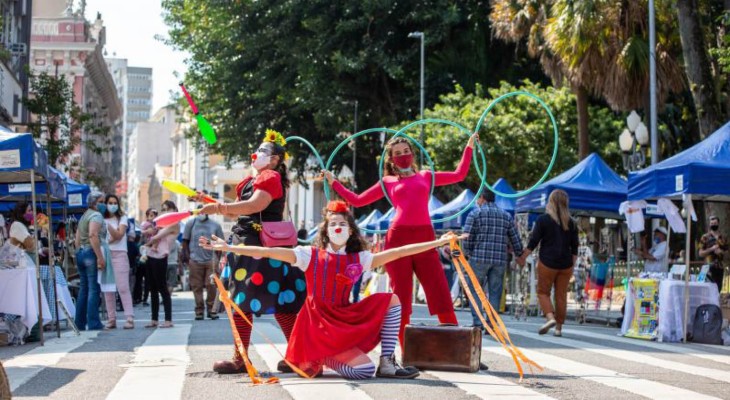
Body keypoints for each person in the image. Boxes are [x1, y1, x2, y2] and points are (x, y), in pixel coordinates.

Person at [200, 200, 466, 379]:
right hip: (317, 326)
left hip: (344, 318)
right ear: (326, 231)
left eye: (343, 224)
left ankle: (387, 362)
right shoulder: (308, 255)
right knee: (362, 370)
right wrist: (229, 247)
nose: (338, 227)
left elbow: (399, 252)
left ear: (351, 231)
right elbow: (267, 251)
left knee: (391, 300)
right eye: (333, 224)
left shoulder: (359, 258)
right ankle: (325, 357)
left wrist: (436, 242)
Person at [325, 133, 478, 347]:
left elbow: (459, 174)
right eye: (398, 153)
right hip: (397, 238)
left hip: (425, 237)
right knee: (401, 295)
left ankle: (456, 346)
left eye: (406, 151)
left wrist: (469, 147)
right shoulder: (387, 182)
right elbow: (357, 201)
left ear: (413, 154)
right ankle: (404, 350)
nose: (403, 156)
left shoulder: (426, 176)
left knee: (439, 290)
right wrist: (334, 183)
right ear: (391, 159)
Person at [196, 129, 306, 374]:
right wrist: (210, 202)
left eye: (263, 150)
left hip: (262, 246)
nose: (255, 153)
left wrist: (219, 207)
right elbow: (238, 211)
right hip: (245, 243)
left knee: (279, 303)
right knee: (241, 302)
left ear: (276, 159)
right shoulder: (250, 180)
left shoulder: (270, 177)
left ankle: (297, 355)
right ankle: (242, 358)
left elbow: (256, 205)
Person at [517, 190, 578, 337]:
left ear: (550, 202)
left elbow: (533, 242)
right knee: (561, 295)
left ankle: (550, 318)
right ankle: (558, 328)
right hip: (566, 264)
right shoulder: (572, 222)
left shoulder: (543, 219)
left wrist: (522, 257)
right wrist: (572, 265)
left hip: (547, 262)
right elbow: (575, 247)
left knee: (543, 292)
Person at [462, 189, 523, 330]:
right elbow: (515, 239)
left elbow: (467, 238)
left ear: (482, 198)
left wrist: (468, 252)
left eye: (478, 198)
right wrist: (519, 253)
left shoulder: (475, 214)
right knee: (495, 292)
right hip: (499, 260)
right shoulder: (506, 216)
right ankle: (491, 324)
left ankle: (478, 322)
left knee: (475, 290)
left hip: (478, 258)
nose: (477, 201)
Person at [181, 208, 224, 320]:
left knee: (212, 285)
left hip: (211, 261)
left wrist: (217, 260)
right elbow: (185, 241)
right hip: (195, 260)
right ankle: (199, 311)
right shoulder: (191, 223)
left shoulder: (216, 225)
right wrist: (187, 258)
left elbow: (221, 243)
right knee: (196, 286)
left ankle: (211, 310)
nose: (202, 213)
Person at [74, 192, 107, 331]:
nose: (104, 204)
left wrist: (78, 252)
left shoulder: (84, 215)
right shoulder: (96, 215)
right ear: (95, 202)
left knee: (84, 289)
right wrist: (100, 257)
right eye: (102, 201)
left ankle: (80, 323)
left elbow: (77, 237)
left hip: (81, 252)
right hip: (90, 252)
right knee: (94, 288)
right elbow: (93, 235)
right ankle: (94, 323)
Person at [145, 200, 179, 328]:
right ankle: (154, 319)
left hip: (161, 258)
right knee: (152, 289)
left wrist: (147, 242)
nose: (164, 212)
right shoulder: (162, 224)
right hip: (151, 255)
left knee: (162, 288)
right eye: (163, 209)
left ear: (174, 210)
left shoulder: (174, 224)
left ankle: (168, 320)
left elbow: (156, 237)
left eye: (167, 209)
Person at [102, 194, 134, 330]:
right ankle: (111, 319)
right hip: (106, 255)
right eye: (110, 202)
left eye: (115, 202)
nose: (113, 205)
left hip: (120, 255)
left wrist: (108, 227)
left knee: (123, 287)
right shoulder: (101, 218)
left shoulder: (123, 218)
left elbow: (119, 235)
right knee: (108, 289)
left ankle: (129, 317)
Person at [133, 208, 158, 306]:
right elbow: (140, 235)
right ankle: (137, 298)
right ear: (147, 216)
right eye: (151, 215)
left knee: (148, 279)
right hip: (142, 254)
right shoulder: (144, 225)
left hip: (151, 255)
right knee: (139, 278)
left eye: (154, 215)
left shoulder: (156, 226)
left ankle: (145, 299)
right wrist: (147, 231)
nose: (153, 218)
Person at [699, 215, 727, 292]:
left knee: (718, 289)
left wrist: (721, 252)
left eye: (715, 223)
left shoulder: (723, 238)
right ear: (709, 224)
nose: (713, 225)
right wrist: (711, 249)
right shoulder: (705, 237)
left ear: (718, 224)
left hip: (720, 267)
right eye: (712, 223)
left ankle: (716, 304)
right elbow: (700, 253)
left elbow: (727, 252)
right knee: (708, 289)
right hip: (708, 267)